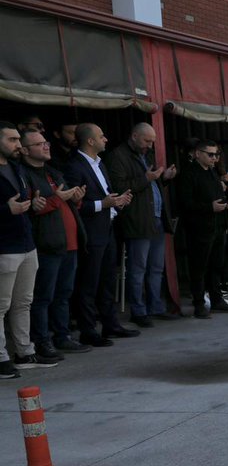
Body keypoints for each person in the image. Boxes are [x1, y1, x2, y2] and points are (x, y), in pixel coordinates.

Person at [63, 123, 137, 345]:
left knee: (107, 280)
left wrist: (116, 203)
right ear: (90, 141)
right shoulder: (74, 166)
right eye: (101, 136)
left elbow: (105, 197)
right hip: (91, 233)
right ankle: (88, 330)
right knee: (88, 283)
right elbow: (74, 205)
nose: (106, 139)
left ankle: (111, 324)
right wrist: (102, 204)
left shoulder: (100, 164)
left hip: (108, 228)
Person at [20, 129, 89, 359]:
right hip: (46, 245)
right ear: (25, 150)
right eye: (39, 144)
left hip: (69, 244)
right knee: (42, 297)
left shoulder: (53, 172)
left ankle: (62, 336)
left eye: (46, 141)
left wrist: (75, 200)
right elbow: (31, 208)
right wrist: (57, 199)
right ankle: (42, 341)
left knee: (64, 293)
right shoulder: (24, 175)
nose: (46, 146)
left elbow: (64, 202)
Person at [106, 123, 179, 326]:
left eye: (152, 141)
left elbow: (149, 185)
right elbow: (119, 188)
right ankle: (138, 311)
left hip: (155, 217)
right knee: (138, 268)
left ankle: (155, 306)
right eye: (147, 140)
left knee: (156, 267)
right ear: (135, 136)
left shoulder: (145, 154)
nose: (150, 144)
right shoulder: (118, 156)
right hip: (138, 220)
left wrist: (163, 179)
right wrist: (146, 178)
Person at [0, 122, 54, 377]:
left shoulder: (15, 167)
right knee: (1, 305)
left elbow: (21, 201)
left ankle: (25, 352)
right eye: (11, 140)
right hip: (4, 247)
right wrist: (5, 210)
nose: (18, 145)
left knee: (24, 302)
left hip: (26, 243)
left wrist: (32, 204)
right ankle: (1, 358)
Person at [176, 139, 228, 318]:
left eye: (216, 155)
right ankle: (199, 304)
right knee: (199, 267)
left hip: (218, 226)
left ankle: (217, 299)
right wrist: (209, 208)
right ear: (198, 154)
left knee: (216, 265)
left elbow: (218, 197)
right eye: (210, 154)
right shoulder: (188, 174)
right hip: (200, 229)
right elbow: (185, 203)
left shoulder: (212, 173)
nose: (214, 158)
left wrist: (226, 206)